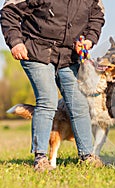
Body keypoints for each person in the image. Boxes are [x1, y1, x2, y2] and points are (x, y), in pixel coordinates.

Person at [1, 0, 105, 171]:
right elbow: (9, 11)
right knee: (48, 100)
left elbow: (97, 17)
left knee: (79, 104)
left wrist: (88, 40)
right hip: (36, 51)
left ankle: (87, 156)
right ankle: (40, 158)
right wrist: (16, 42)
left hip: (68, 56)